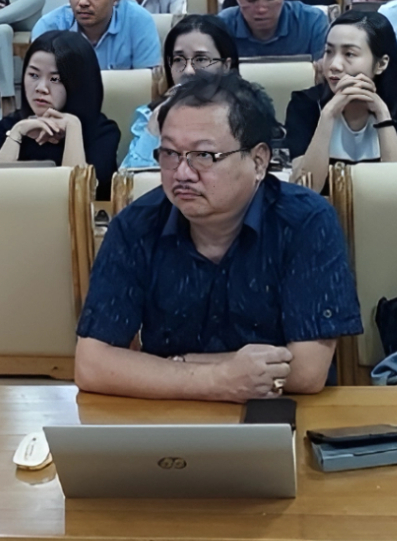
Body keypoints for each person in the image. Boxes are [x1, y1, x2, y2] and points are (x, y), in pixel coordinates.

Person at [74, 72, 363, 399]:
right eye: (169, 154)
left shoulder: (305, 221)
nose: (182, 173)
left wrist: (172, 366)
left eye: (204, 156)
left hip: (280, 417)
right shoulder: (135, 225)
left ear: (258, 161)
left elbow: (308, 371)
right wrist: (219, 379)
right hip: (169, 419)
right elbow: (91, 364)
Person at [286, 10, 397, 192]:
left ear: (381, 64)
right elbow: (306, 190)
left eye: (349, 54)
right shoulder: (304, 104)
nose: (334, 65)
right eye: (329, 51)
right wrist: (328, 114)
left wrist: (382, 113)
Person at [0, 30, 120, 198]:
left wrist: (73, 128)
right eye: (34, 75)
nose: (41, 88)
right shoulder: (5, 128)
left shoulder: (102, 133)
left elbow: (79, 199)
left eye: (55, 79)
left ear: (78, 83)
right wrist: (17, 133)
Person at [125, 15, 239, 169]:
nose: (188, 71)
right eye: (179, 60)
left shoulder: (245, 113)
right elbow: (130, 182)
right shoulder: (150, 115)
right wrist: (155, 126)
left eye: (200, 59)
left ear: (226, 65)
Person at [32, 0, 163, 70]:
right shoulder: (49, 27)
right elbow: (41, 85)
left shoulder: (139, 22)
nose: (82, 2)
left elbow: (147, 87)